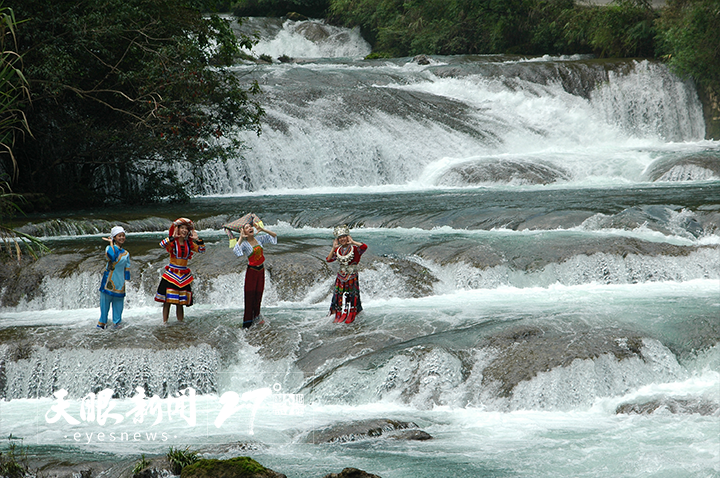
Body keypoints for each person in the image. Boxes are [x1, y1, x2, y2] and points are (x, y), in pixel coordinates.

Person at [226, 219, 277, 328]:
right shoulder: (244, 244)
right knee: (250, 296)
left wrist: (262, 229)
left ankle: (257, 317)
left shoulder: (259, 239)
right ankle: (247, 322)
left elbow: (274, 236)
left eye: (250, 227)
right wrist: (240, 237)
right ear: (244, 232)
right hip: (252, 271)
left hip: (261, 270)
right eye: (247, 227)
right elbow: (236, 251)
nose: (250, 228)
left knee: (259, 294)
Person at [154, 218, 205, 323]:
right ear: (177, 229)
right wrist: (172, 237)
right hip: (171, 274)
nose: (184, 230)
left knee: (180, 302)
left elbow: (202, 250)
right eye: (182, 228)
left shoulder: (189, 244)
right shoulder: (173, 242)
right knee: (167, 301)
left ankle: (180, 323)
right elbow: (162, 244)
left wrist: (198, 239)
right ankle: (165, 323)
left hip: (183, 275)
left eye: (186, 229)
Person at [326, 225, 368, 324]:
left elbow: (364, 247)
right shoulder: (338, 250)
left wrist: (353, 242)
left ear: (347, 237)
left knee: (352, 294)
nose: (342, 239)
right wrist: (333, 248)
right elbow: (329, 259)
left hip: (352, 275)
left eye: (344, 237)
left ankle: (352, 311)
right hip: (341, 276)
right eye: (340, 238)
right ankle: (338, 312)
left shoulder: (355, 249)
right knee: (338, 294)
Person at [98, 226, 131, 329]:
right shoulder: (109, 248)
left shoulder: (126, 253)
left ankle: (117, 323)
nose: (122, 238)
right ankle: (102, 323)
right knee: (105, 304)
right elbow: (112, 257)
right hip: (109, 281)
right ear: (114, 238)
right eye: (119, 236)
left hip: (120, 282)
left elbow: (127, 267)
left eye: (123, 236)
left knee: (118, 304)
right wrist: (111, 244)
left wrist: (127, 279)